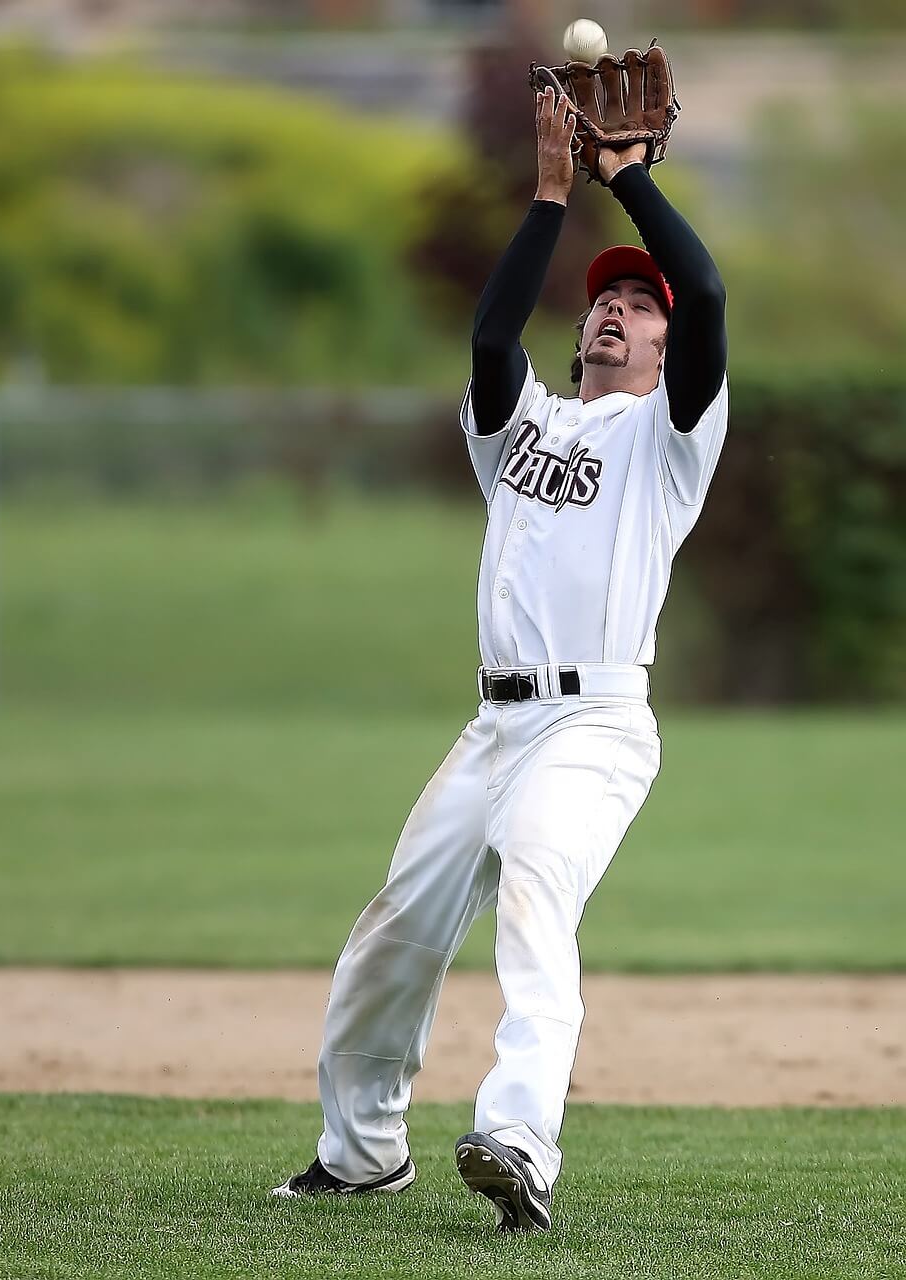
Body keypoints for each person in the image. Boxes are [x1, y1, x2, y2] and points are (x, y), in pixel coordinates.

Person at [273, 87, 728, 1233]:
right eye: (606, 300)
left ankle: (517, 1142)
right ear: (578, 333)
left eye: (639, 302)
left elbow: (710, 290)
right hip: (492, 731)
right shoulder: (516, 426)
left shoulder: (670, 441)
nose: (619, 310)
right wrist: (544, 195)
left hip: (596, 726)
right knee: (396, 930)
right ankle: (361, 1151)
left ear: (668, 345)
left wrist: (624, 172)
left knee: (534, 891)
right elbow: (486, 338)